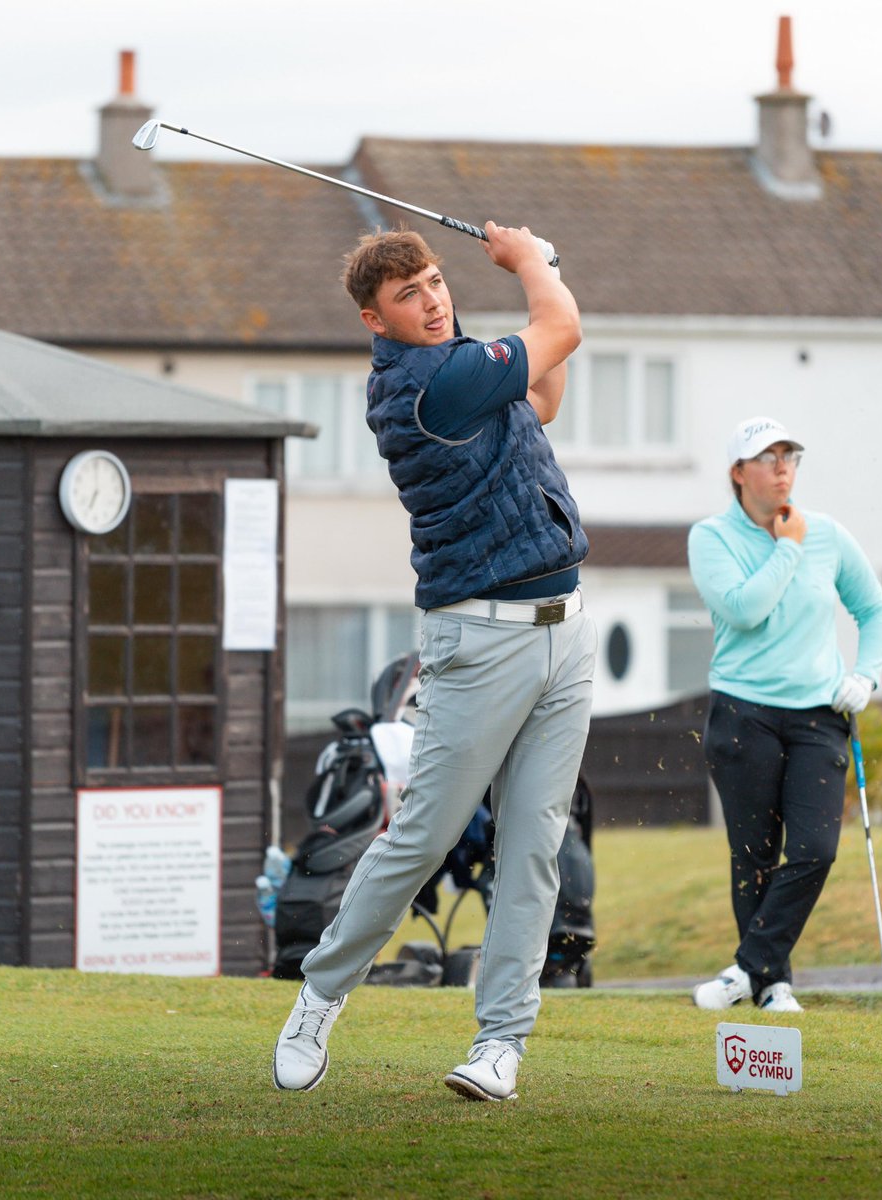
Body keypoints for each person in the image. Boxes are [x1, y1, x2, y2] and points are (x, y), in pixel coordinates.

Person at [272, 222, 597, 1101]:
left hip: (565, 630)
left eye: (436, 282)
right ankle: (319, 994)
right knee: (422, 837)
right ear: (375, 320)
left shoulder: (467, 366)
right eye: (408, 295)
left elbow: (547, 391)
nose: (432, 301)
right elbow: (561, 329)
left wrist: (545, 270)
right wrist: (531, 263)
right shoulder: (427, 385)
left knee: (534, 846)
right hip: (481, 639)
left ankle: (501, 1046)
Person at [688, 415, 882, 1013]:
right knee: (753, 855)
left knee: (814, 849)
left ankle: (746, 970)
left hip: (817, 716)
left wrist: (865, 675)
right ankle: (773, 984)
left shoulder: (829, 534)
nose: (782, 468)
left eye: (789, 456)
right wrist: (789, 547)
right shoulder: (711, 538)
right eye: (768, 457)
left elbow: (875, 611)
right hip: (742, 712)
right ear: (738, 472)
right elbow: (744, 609)